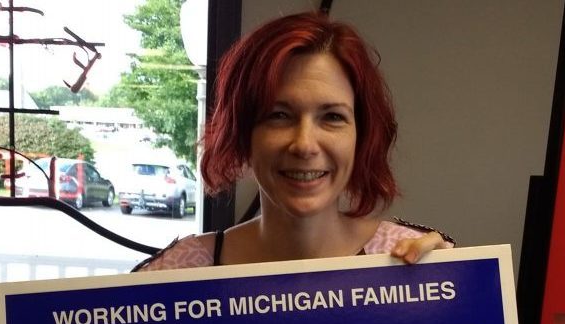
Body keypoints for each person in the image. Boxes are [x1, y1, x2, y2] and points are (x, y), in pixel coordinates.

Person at [134, 11, 453, 272]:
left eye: (332, 117)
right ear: (244, 132)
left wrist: (459, 289)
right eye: (278, 115)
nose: (304, 145)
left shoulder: (415, 261)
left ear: (362, 135)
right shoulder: (177, 273)